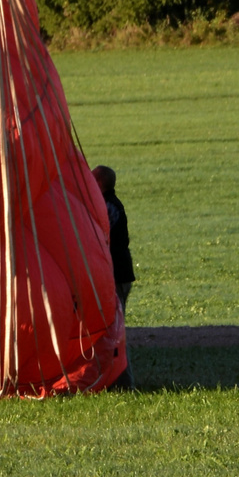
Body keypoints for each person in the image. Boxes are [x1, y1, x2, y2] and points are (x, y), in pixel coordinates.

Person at [91, 165, 137, 390]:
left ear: (99, 184)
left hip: (117, 274)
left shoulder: (108, 207)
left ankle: (122, 380)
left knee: (115, 328)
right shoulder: (112, 205)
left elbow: (100, 236)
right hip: (119, 273)